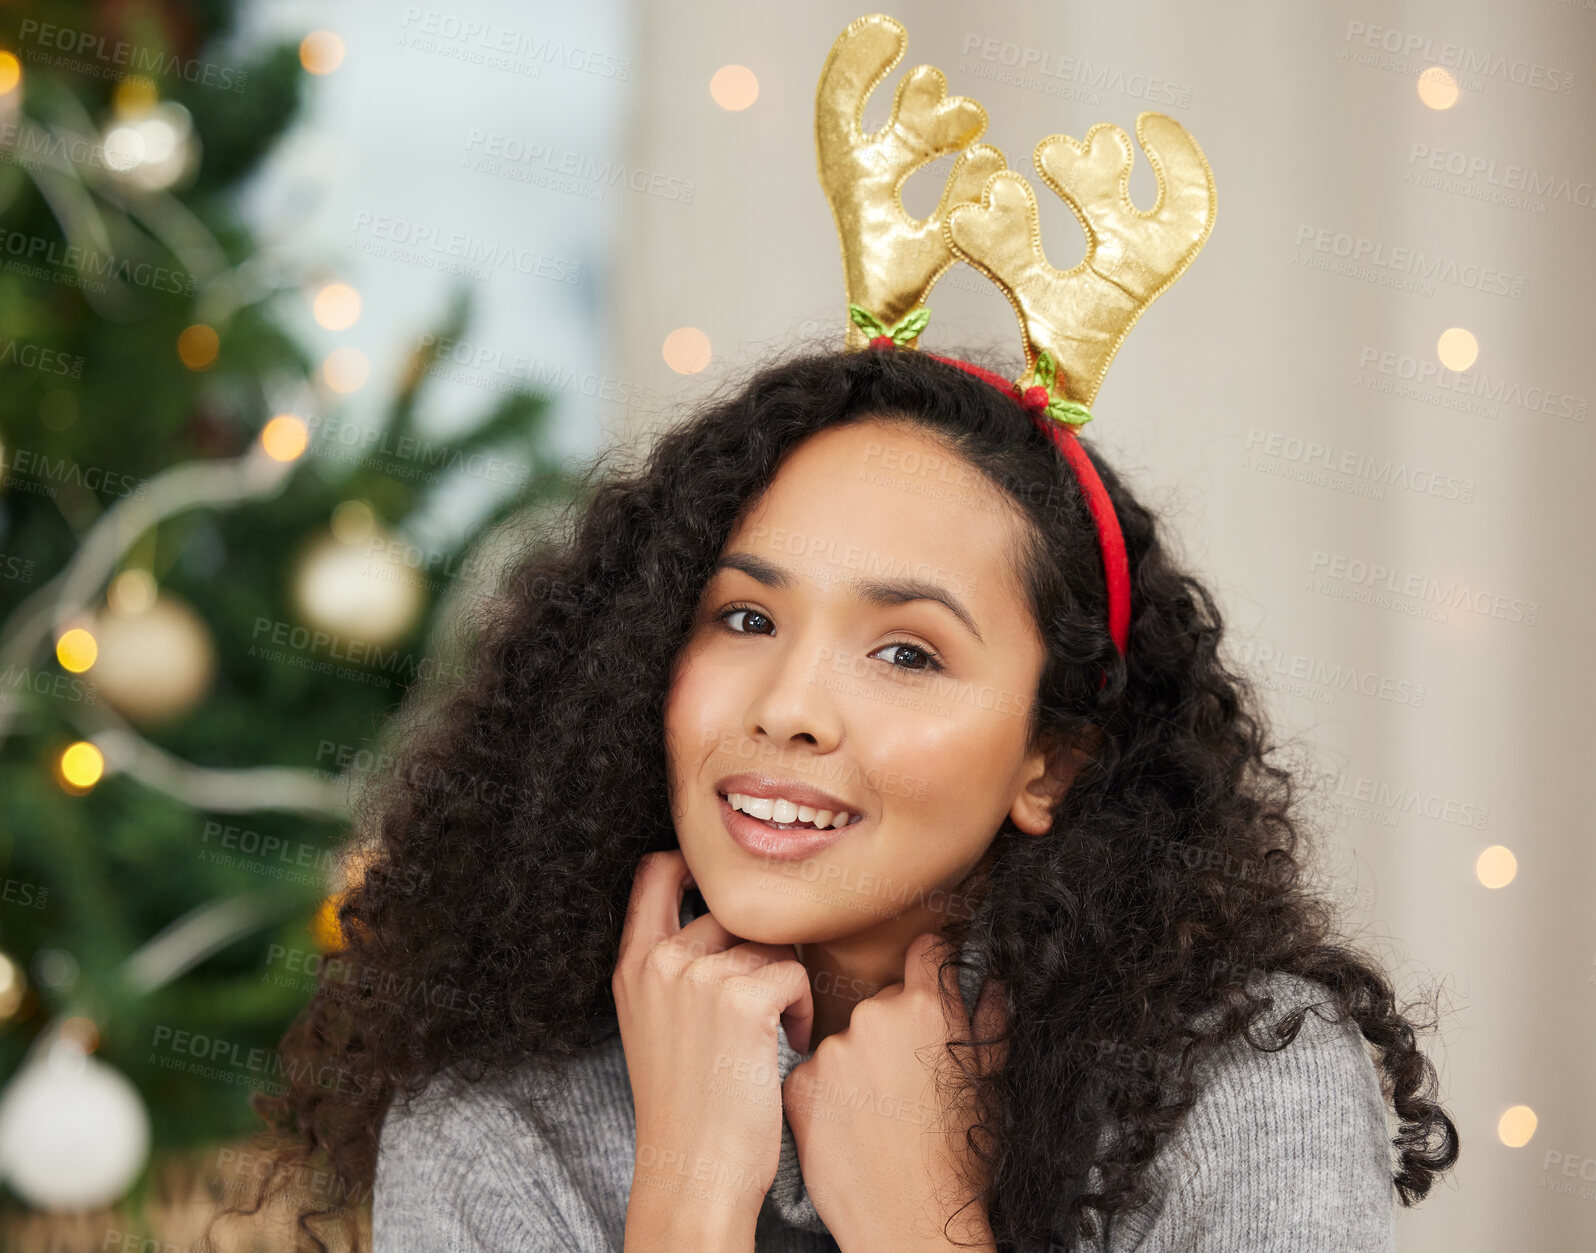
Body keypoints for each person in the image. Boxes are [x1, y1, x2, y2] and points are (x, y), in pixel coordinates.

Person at [202, 342, 1458, 1253]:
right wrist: (688, 1197)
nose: (789, 703)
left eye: (906, 649)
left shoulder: (1244, 1076)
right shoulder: (495, 1123)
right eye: (744, 617)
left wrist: (928, 1225)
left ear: (1051, 760)